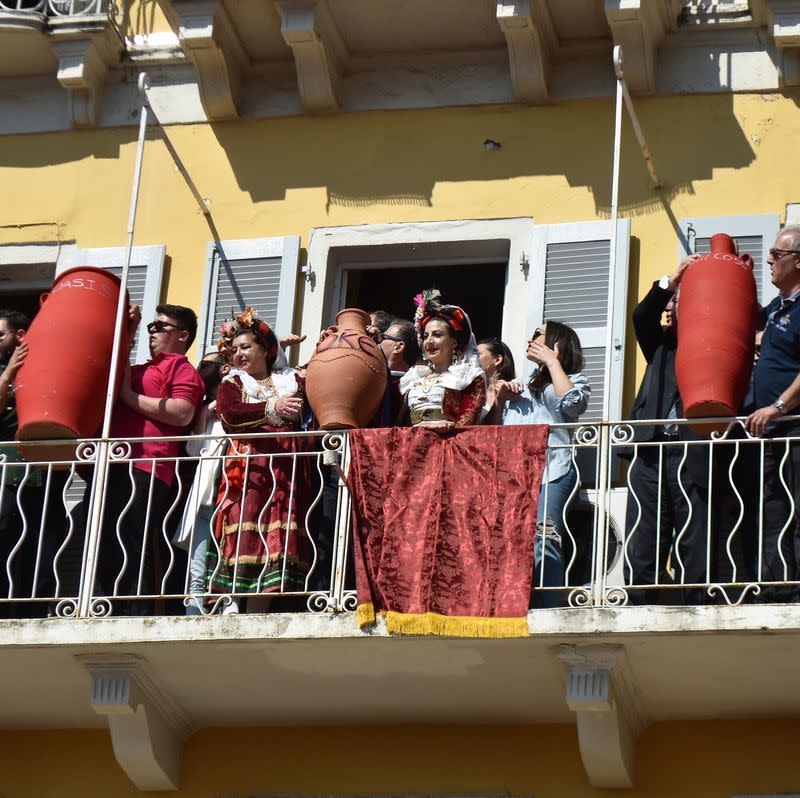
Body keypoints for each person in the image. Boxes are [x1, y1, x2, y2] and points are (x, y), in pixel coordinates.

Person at [93, 303, 205, 615]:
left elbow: (182, 413)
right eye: (150, 327)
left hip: (146, 464)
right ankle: (107, 608)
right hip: (112, 463)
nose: (152, 331)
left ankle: (132, 614)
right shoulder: (142, 368)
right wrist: (128, 328)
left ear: (182, 336)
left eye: (160, 326)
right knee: (103, 540)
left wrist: (129, 397)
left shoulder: (181, 368)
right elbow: (114, 366)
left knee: (130, 538)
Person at [205, 307, 311, 612]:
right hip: (251, 463)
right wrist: (271, 408)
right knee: (244, 519)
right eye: (234, 349)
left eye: (246, 347)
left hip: (286, 464)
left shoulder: (292, 379)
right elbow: (229, 415)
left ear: (265, 350)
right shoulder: (233, 384)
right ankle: (232, 601)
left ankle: (260, 607)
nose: (239, 354)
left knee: (278, 528)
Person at [621, 254, 712, 605]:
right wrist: (672, 281)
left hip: (694, 448)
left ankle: (697, 602)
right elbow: (641, 315)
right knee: (644, 530)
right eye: (672, 301)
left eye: (678, 302)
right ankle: (639, 601)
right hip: (651, 448)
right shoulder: (659, 342)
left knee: (693, 531)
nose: (671, 308)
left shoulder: (709, 345)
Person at [496, 321, 590, 608]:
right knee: (508, 542)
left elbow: (573, 403)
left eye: (538, 333)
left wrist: (551, 362)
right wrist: (500, 400)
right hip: (515, 478)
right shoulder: (520, 388)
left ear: (556, 344)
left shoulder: (574, 379)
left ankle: (548, 608)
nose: (530, 338)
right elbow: (492, 432)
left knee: (544, 537)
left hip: (553, 472)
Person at [0, 310, 71, 616]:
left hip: (45, 467)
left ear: (20, 335)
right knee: (6, 532)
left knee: (47, 532)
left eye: (0, 334)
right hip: (9, 468)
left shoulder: (45, 365)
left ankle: (36, 605)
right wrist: (8, 374)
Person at [744, 226, 800, 602]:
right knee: (773, 513)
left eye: (776, 255)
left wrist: (778, 406)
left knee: (795, 513)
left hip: (793, 428)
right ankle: (776, 591)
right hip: (771, 433)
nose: (769, 261)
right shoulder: (778, 308)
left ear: (798, 261)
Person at [174, 351, 228, 615]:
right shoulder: (205, 410)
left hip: (234, 495)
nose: (204, 368)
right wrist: (205, 413)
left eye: (211, 363)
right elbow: (193, 450)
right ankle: (194, 619)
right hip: (208, 495)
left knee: (228, 565)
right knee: (197, 569)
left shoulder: (242, 400)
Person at [399, 290, 486, 429]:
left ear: (454, 343)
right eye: (426, 336)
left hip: (446, 446)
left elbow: (467, 425)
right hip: (411, 445)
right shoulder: (413, 378)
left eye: (437, 335)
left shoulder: (468, 378)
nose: (429, 341)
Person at [477, 337, 516, 423]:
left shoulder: (512, 390)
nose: (472, 358)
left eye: (478, 354)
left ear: (497, 360)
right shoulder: (473, 392)